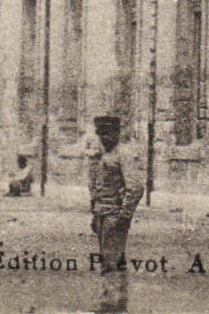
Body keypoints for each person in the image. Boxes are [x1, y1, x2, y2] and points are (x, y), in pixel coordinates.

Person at [87, 115, 145, 313]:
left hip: (114, 215)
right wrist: (95, 214)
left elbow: (136, 187)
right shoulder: (103, 155)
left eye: (108, 133)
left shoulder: (124, 154)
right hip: (102, 214)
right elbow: (96, 187)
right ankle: (117, 300)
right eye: (100, 134)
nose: (104, 137)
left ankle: (110, 304)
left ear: (117, 133)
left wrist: (124, 215)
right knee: (111, 258)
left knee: (111, 261)